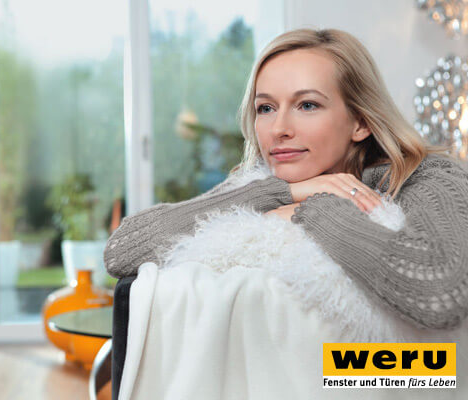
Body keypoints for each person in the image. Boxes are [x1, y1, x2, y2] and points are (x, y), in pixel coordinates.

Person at [103, 28, 468, 330]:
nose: (278, 129)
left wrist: (313, 208)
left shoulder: (429, 176)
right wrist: (282, 192)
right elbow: (122, 251)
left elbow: (441, 292)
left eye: (307, 105)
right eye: (266, 108)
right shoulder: (257, 182)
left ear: (361, 121)